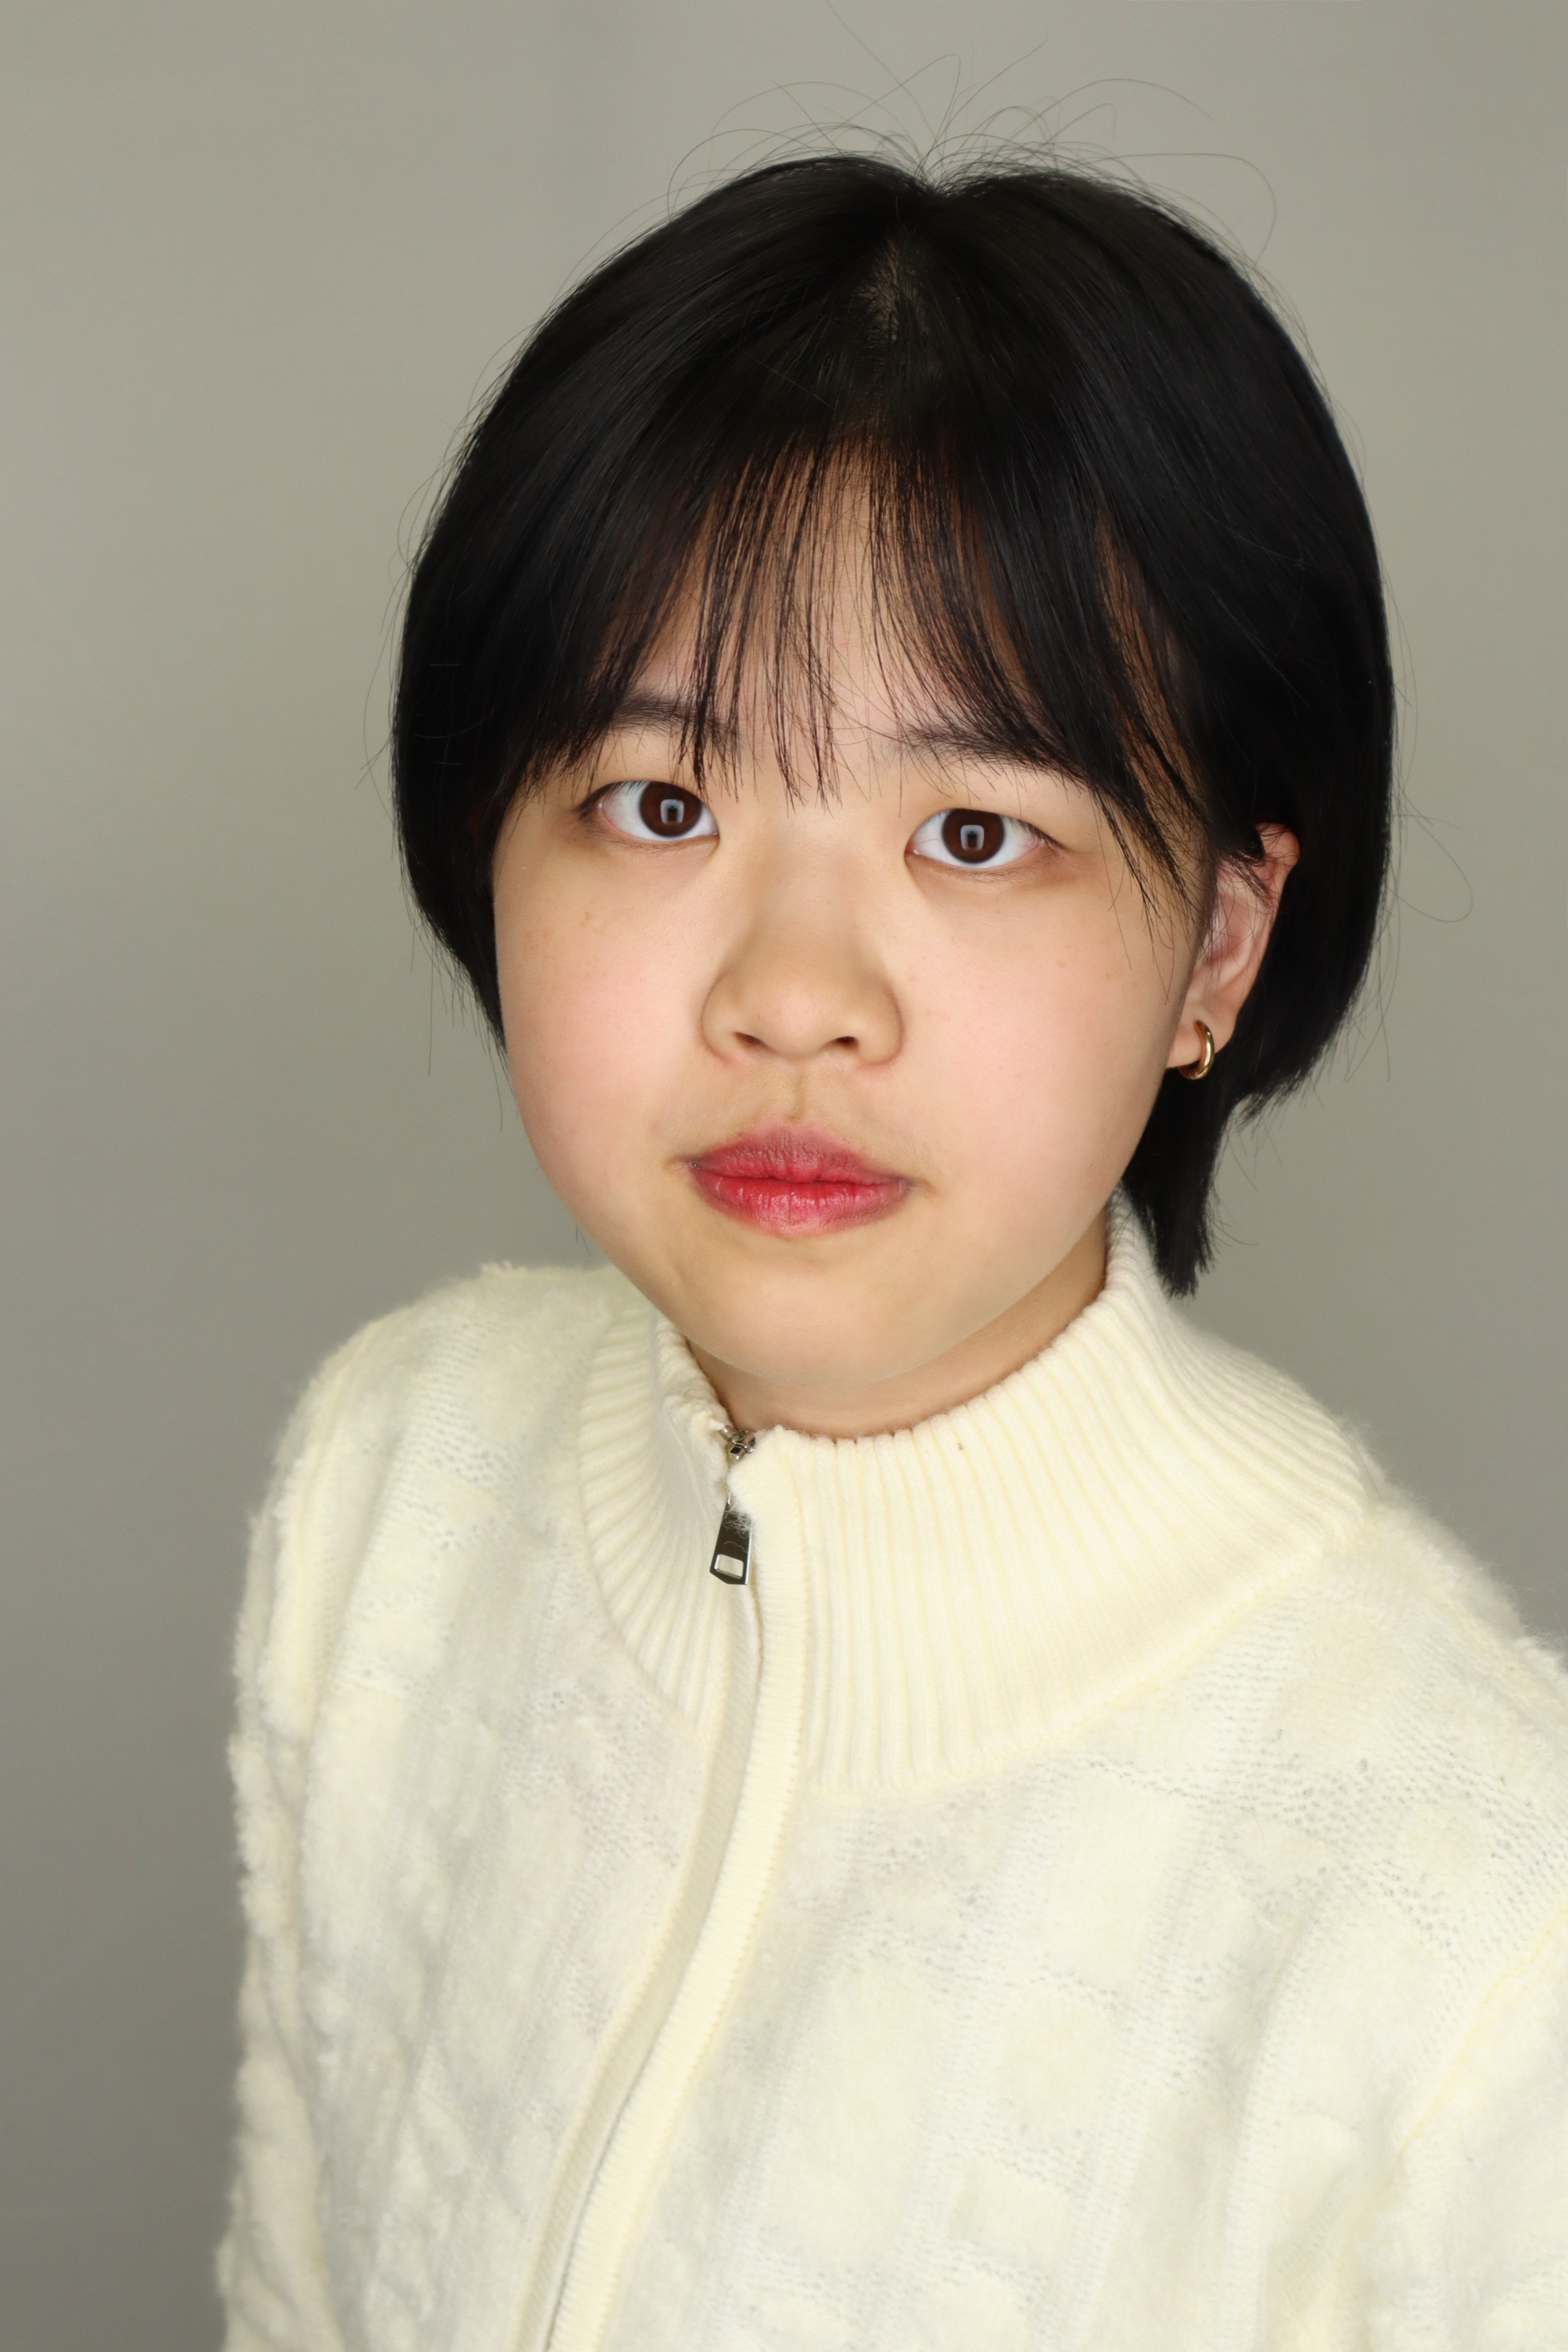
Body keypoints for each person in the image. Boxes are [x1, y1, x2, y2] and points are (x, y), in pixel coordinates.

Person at [218, 154, 1568, 2350]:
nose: (797, 992)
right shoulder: (396, 1482)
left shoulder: (1486, 1914)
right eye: (663, 804)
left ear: (1217, 942)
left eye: (975, 833)